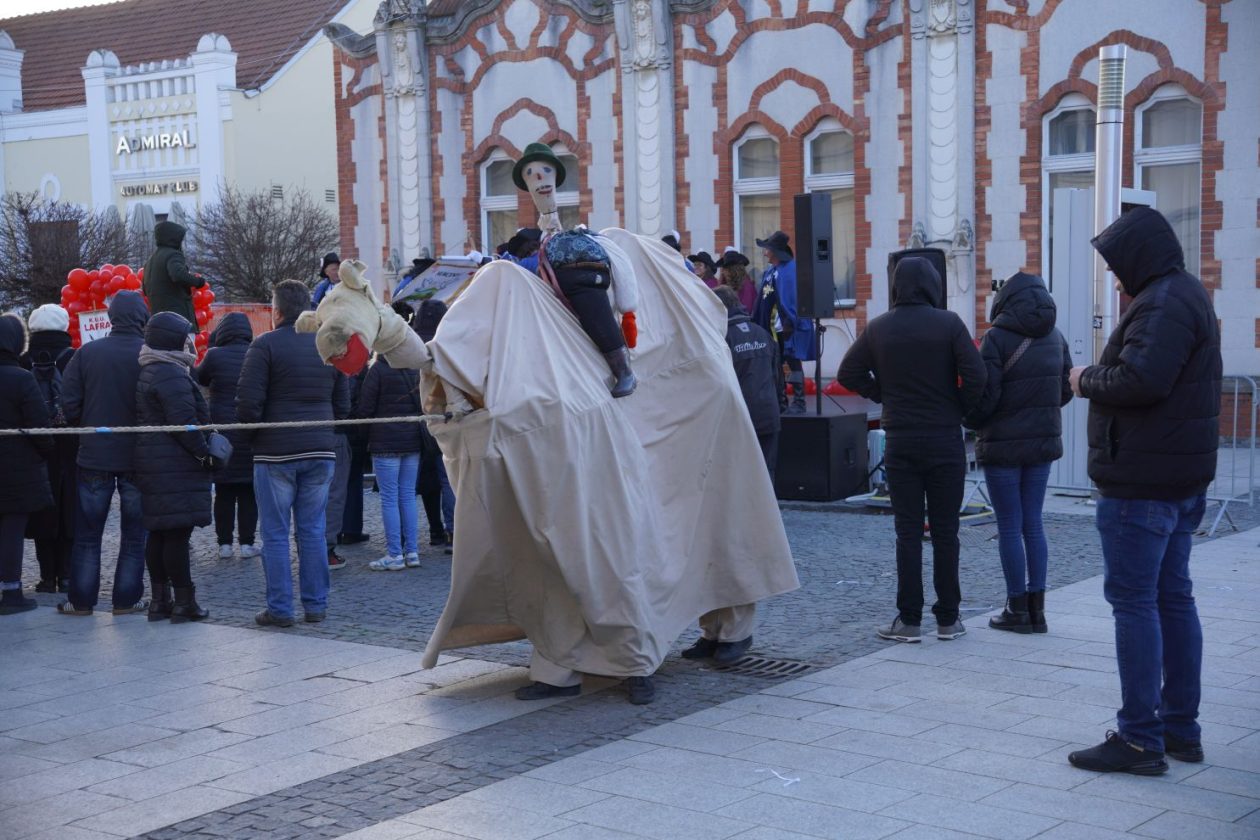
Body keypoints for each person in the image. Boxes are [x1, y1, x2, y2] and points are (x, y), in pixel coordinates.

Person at [1066, 207, 1222, 776]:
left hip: (1142, 485)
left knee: (1137, 604)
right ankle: (1180, 728)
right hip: (1174, 479)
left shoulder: (1161, 301)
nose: (1114, 277)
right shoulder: (1184, 294)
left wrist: (1085, 380)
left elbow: (1141, 381)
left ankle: (1138, 739)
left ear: (1139, 256)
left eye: (1115, 265)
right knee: (1172, 598)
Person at [837, 256, 985, 644]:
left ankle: (909, 619)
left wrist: (883, 395)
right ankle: (949, 618)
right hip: (943, 438)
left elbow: (847, 373)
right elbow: (977, 375)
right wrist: (960, 407)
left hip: (901, 437)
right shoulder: (949, 323)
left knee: (907, 532)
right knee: (946, 532)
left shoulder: (880, 328)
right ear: (933, 284)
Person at [677, 285, 782, 664]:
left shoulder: (715, 340)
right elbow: (775, 376)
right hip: (761, 424)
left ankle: (732, 631)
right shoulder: (758, 333)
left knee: (736, 532)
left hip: (735, 432)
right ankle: (717, 630)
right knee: (716, 534)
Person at [237, 279, 349, 627]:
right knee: (313, 530)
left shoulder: (264, 346)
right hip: (319, 449)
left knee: (274, 532)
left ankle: (281, 609)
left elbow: (248, 405)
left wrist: (255, 438)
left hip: (275, 454)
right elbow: (343, 405)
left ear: (277, 311)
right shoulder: (326, 345)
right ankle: (316, 605)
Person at [964, 272, 1072, 634]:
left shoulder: (995, 337)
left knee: (1009, 525)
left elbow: (986, 395)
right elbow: (1066, 389)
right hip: (1042, 444)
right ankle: (1038, 610)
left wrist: (970, 420)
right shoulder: (1055, 336)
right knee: (1033, 523)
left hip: (1003, 446)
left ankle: (1016, 608)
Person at [59, 291, 150, 616]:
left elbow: (68, 405)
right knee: (134, 536)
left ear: (112, 318)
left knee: (87, 535)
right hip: (138, 457)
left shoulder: (86, 353)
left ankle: (81, 600)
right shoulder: (148, 355)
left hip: (94, 454)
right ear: (142, 317)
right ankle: (126, 599)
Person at [134, 312, 213, 622]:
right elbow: (184, 423)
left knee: (160, 531)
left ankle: (159, 601)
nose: (189, 342)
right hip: (174, 463)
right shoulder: (170, 373)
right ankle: (184, 602)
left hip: (155, 461)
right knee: (177, 534)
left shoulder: (152, 368)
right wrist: (205, 454)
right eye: (184, 336)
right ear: (172, 340)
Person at [22, 303, 78, 593]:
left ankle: (46, 577)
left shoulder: (22, 360)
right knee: (70, 507)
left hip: (33, 448)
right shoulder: (75, 358)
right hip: (70, 445)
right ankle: (67, 574)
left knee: (42, 509)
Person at [0, 314, 52, 615]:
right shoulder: (21, 378)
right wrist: (45, 453)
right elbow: (38, 425)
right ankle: (11, 591)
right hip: (16, 468)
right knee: (11, 529)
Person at [194, 312, 257, 559]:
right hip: (250, 433)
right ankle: (248, 543)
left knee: (223, 492)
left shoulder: (215, 355)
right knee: (249, 492)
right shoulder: (256, 352)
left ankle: (224, 544)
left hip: (222, 434)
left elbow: (200, 378)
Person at [356, 355, 423, 570]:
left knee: (390, 499)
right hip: (412, 439)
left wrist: (364, 438)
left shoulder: (378, 370)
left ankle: (395, 553)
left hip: (384, 441)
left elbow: (365, 407)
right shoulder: (415, 367)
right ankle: (412, 552)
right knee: (408, 496)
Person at [753, 231, 814, 415]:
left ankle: (799, 402)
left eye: (767, 250)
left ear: (775, 252)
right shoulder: (771, 272)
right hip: (773, 326)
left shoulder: (790, 270)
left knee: (793, 363)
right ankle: (781, 402)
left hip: (788, 325)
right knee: (776, 364)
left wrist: (791, 321)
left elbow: (792, 298)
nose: (765, 253)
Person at [413, 300, 455, 551]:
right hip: (444, 417)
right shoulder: (447, 345)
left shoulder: (412, 346)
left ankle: (436, 530)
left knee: (429, 482)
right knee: (448, 478)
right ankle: (453, 532)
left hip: (419, 422)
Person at [142, 221, 205, 326]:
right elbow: (177, 274)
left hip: (157, 320)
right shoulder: (173, 254)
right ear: (174, 238)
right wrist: (198, 282)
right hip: (179, 319)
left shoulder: (150, 260)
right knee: (186, 342)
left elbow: (145, 289)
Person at [718, 249, 757, 319]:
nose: (723, 272)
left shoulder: (747, 287)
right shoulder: (726, 284)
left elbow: (745, 312)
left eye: (725, 269)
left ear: (733, 270)